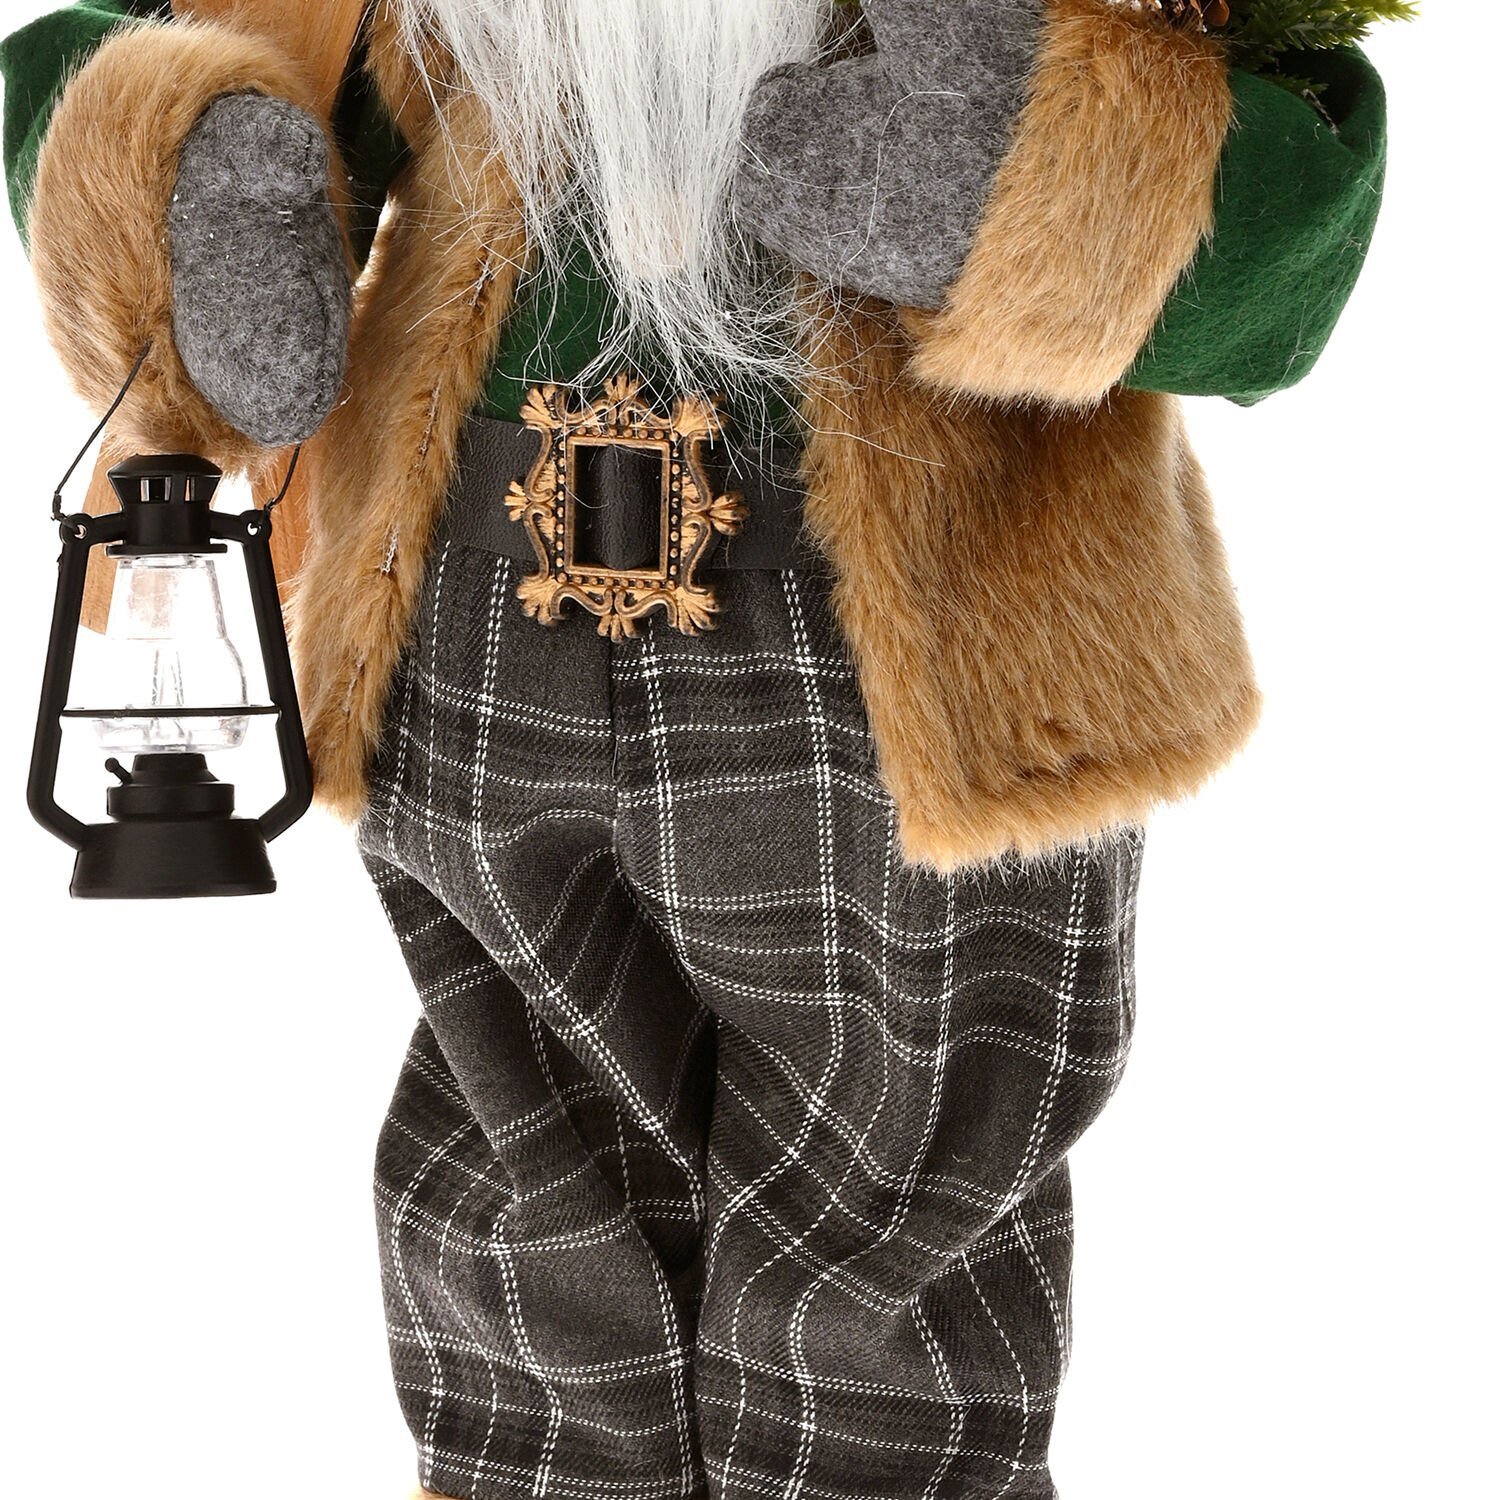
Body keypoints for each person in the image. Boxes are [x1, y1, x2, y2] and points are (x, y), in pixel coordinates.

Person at [0, 2, 1388, 1495]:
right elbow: (149, 62)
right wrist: (192, 185)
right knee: (527, 1156)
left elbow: (1285, 240)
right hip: (481, 608)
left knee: (902, 1169)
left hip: (921, 653)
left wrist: (1041, 181)